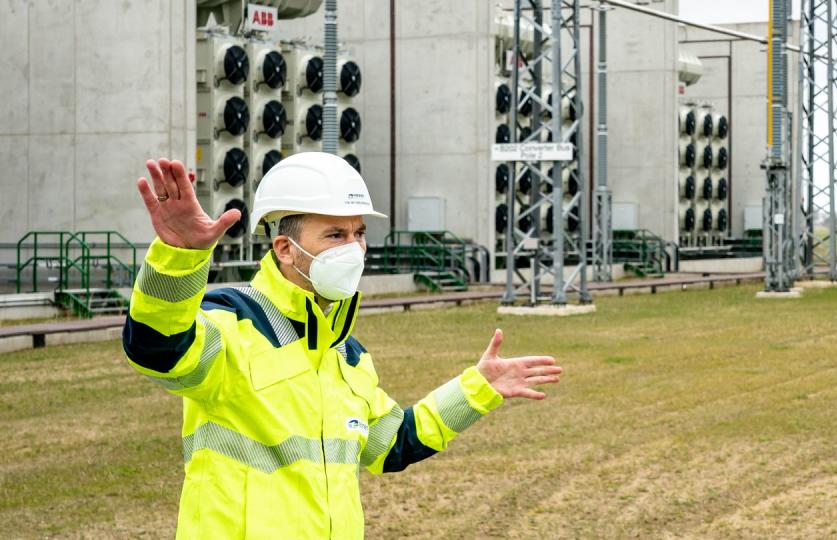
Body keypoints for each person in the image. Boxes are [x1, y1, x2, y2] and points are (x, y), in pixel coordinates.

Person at [122, 153, 562, 539]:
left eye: (359, 234)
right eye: (335, 236)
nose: (354, 249)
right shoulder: (232, 321)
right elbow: (158, 348)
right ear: (285, 249)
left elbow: (390, 445)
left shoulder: (348, 355)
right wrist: (179, 258)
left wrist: (475, 389)